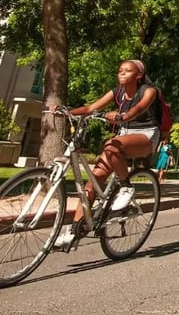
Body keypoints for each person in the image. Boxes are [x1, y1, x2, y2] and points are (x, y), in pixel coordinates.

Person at [53, 59, 161, 248]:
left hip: (146, 135)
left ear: (138, 75)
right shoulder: (117, 92)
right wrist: (67, 112)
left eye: (127, 71)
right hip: (124, 134)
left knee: (111, 146)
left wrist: (122, 117)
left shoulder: (149, 91)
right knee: (94, 181)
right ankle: (74, 230)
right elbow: (90, 108)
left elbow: (139, 109)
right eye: (120, 70)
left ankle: (126, 186)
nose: (122, 73)